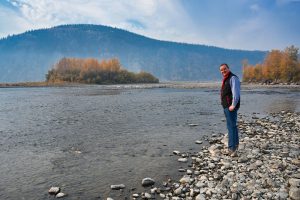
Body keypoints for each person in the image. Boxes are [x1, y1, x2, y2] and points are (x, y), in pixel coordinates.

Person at [219, 63, 240, 157]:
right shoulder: (227, 78)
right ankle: (235, 146)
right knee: (233, 126)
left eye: (224, 69)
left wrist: (233, 105)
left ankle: (231, 149)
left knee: (231, 127)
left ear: (228, 68)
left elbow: (236, 93)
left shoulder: (233, 78)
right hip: (226, 106)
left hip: (230, 106)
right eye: (221, 70)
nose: (223, 71)